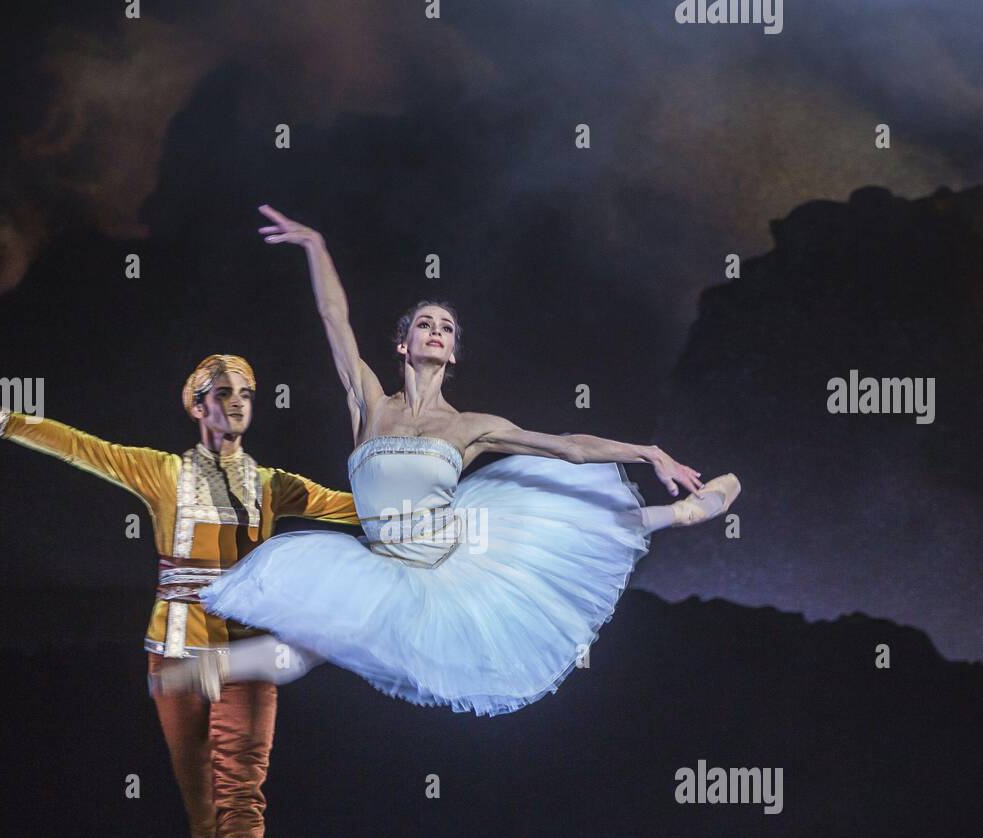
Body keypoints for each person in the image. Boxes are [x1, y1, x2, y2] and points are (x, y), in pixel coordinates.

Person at [154, 206, 740, 716]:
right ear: (403, 344)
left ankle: (685, 513)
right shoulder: (369, 404)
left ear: (453, 350)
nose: (436, 332)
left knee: (572, 516)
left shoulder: (469, 427)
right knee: (307, 646)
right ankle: (179, 678)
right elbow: (335, 320)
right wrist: (315, 246)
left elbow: (568, 447)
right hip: (381, 560)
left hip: (453, 559)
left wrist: (646, 450)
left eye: (446, 328)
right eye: (424, 325)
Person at [0, 354, 358, 838]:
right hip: (174, 658)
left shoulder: (272, 485)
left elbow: (351, 508)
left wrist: (436, 507)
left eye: (247, 394)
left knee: (242, 789)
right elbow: (77, 445)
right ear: (197, 405)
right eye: (222, 393)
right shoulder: (160, 473)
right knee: (201, 798)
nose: (236, 403)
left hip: (245, 657)